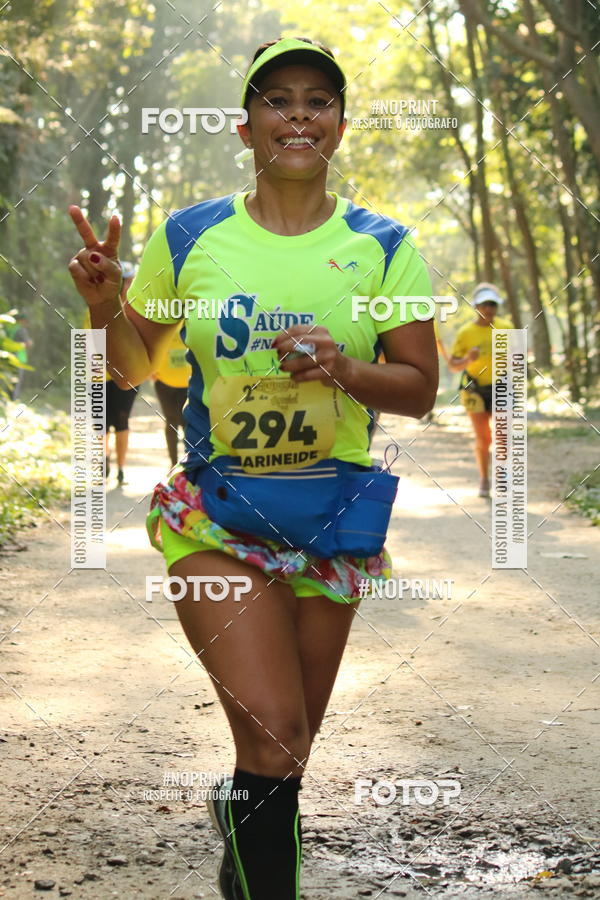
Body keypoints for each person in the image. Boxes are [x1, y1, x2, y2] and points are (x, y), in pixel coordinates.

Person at [67, 36, 438, 899]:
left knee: (288, 745)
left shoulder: (385, 246)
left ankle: (243, 835)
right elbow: (130, 366)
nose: (298, 115)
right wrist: (101, 309)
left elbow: (420, 389)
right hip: (216, 515)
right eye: (277, 100)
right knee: (272, 731)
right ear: (246, 126)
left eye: (318, 101)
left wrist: (344, 366)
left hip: (332, 521)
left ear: (339, 126)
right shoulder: (191, 234)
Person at [448, 283, 512, 497]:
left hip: (502, 386)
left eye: (492, 304)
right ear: (476, 306)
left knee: (503, 436)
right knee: (484, 438)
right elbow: (453, 365)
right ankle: (484, 479)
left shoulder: (506, 328)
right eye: (484, 304)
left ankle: (502, 477)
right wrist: (468, 359)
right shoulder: (466, 333)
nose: (489, 309)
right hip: (474, 389)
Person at [84, 261, 138, 485]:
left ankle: (122, 470)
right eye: (124, 281)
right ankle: (102, 463)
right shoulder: (95, 306)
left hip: (127, 375)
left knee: (122, 421)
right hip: (98, 375)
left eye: (129, 281)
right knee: (101, 424)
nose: (126, 285)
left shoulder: (137, 308)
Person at [151, 323, 192, 468]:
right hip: (164, 381)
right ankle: (173, 463)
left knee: (187, 421)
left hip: (188, 382)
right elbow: (152, 343)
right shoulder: (161, 320)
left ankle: (189, 461)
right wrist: (151, 369)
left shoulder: (192, 318)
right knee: (171, 421)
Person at [6, 310, 32, 400]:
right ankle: (12, 399)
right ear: (22, 320)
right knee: (16, 380)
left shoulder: (9, 327)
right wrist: (30, 342)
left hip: (7, 356)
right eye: (26, 321)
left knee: (8, 379)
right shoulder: (21, 330)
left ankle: (6, 399)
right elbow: (28, 343)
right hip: (18, 358)